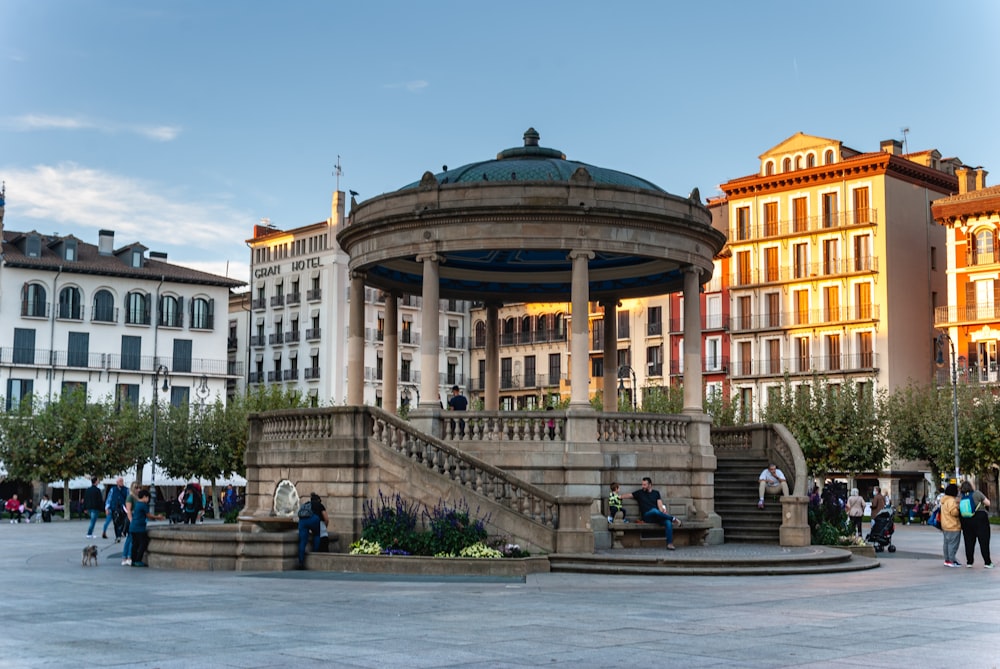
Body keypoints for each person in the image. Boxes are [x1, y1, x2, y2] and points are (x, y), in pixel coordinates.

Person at [621, 477, 681, 550]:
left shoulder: (656, 493)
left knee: (667, 522)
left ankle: (670, 544)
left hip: (657, 517)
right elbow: (629, 495)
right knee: (654, 511)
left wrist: (663, 510)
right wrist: (619, 496)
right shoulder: (640, 493)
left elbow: (660, 505)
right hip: (647, 516)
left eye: (645, 485)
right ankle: (673, 519)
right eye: (642, 484)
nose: (643, 486)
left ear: (650, 485)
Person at [958, 480, 993, 569]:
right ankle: (987, 562)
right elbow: (988, 503)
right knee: (984, 541)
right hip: (980, 518)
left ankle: (969, 562)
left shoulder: (960, 496)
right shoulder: (977, 493)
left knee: (968, 542)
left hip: (966, 520)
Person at [129, 488, 164, 567]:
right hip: (139, 527)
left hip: (133, 527)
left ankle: (133, 560)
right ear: (144, 497)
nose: (148, 500)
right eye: (148, 498)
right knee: (143, 543)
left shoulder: (137, 503)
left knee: (135, 544)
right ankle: (138, 560)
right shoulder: (143, 505)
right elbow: (149, 515)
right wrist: (158, 517)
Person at [297, 493, 329, 569]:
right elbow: (326, 519)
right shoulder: (319, 505)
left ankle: (301, 562)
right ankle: (315, 555)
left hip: (302, 521)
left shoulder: (306, 504)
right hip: (313, 519)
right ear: (318, 500)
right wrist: (325, 527)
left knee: (303, 541)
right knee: (317, 535)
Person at [941, 483, 963, 567]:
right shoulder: (951, 501)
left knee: (946, 544)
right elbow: (954, 512)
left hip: (945, 525)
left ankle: (947, 560)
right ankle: (952, 560)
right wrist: (958, 507)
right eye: (957, 490)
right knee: (953, 544)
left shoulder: (944, 500)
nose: (958, 492)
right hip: (953, 525)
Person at [121, 483, 139, 566]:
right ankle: (128, 557)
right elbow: (128, 511)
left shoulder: (137, 497)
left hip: (135, 518)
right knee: (131, 538)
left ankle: (125, 557)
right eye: (136, 488)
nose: (138, 489)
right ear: (132, 489)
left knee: (130, 538)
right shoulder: (130, 497)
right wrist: (132, 521)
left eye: (139, 488)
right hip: (132, 519)